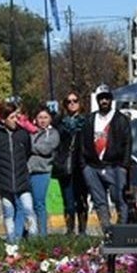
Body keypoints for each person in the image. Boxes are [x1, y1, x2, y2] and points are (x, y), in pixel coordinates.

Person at [79, 86, 132, 231]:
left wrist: (124, 166)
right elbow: (82, 142)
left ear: (111, 99)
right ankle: (107, 232)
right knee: (99, 202)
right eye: (101, 98)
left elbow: (128, 143)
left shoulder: (120, 119)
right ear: (97, 100)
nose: (104, 101)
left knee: (119, 198)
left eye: (107, 98)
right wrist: (84, 166)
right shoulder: (90, 119)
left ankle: (122, 231)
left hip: (115, 166)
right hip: (92, 166)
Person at [0, 102, 35, 246]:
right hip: (4, 180)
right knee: (8, 213)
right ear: (3, 119)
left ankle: (34, 241)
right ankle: (12, 242)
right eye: (12, 117)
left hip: (22, 179)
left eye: (16, 117)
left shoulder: (22, 134)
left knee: (28, 210)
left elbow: (27, 152)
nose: (15, 120)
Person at [54, 89, 90, 235]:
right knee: (68, 202)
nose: (72, 104)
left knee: (82, 200)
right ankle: (70, 231)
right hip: (65, 166)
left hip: (81, 166)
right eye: (68, 101)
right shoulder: (59, 122)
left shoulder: (86, 122)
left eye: (75, 101)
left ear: (80, 103)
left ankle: (82, 231)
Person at [27, 108, 59, 237]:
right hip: (27, 171)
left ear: (50, 119)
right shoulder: (30, 131)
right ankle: (31, 233)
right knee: (27, 205)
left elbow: (46, 149)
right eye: (40, 117)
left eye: (45, 117)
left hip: (42, 171)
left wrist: (30, 146)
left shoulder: (53, 133)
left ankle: (42, 234)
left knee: (39, 203)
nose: (43, 120)